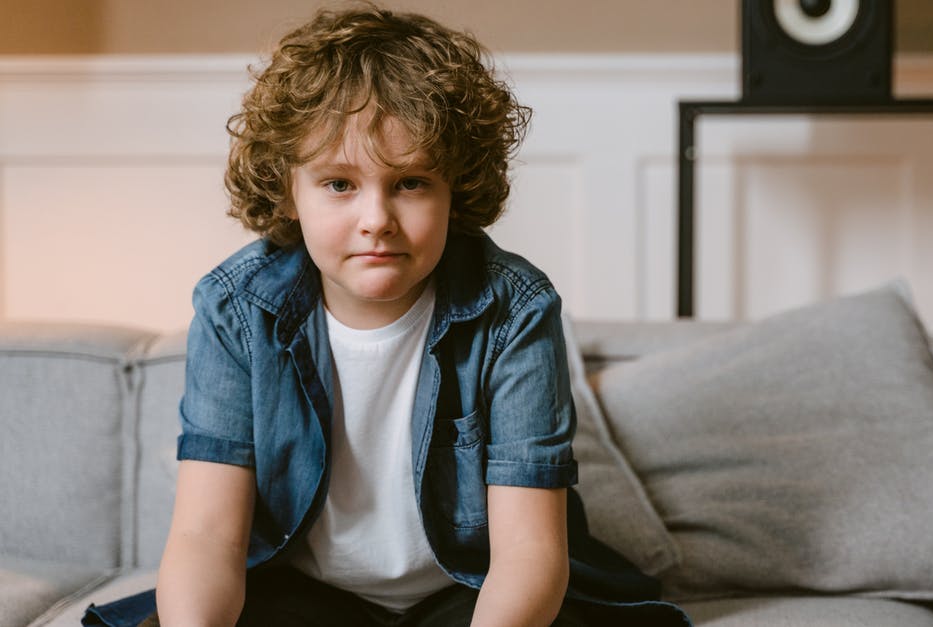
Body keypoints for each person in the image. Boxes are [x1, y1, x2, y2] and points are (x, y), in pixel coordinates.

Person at [82, 4, 688, 626]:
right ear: (288, 189)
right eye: (339, 184)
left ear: (457, 187)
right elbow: (208, 538)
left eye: (411, 183)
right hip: (303, 594)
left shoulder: (516, 309)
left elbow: (529, 552)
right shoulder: (237, 308)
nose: (376, 219)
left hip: (474, 590)